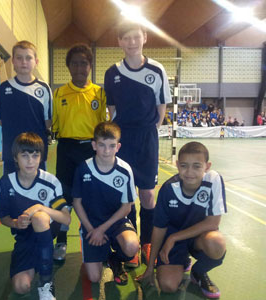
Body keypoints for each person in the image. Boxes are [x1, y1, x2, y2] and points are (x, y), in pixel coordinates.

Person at [104, 21, 172, 267]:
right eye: (126, 38)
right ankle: (129, 243)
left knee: (147, 194)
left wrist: (151, 131)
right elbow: (111, 109)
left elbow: (161, 105)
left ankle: (147, 242)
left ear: (144, 37)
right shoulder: (112, 72)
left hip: (146, 137)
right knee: (126, 193)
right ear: (120, 41)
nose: (131, 42)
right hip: (123, 138)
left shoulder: (157, 70)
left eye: (136, 37)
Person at [137, 141, 227, 299]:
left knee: (217, 243)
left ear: (207, 166)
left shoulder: (213, 180)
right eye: (184, 165)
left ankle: (198, 273)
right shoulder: (169, 189)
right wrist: (150, 267)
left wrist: (174, 237)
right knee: (167, 286)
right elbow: (158, 229)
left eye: (197, 166)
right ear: (177, 165)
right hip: (174, 243)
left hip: (198, 237)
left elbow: (213, 223)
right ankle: (181, 261)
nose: (190, 172)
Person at [0, 132, 71, 300]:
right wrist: (16, 223)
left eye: (35, 155)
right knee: (20, 287)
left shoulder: (50, 181)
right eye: (24, 155)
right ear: (16, 158)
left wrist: (40, 208)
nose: (30, 161)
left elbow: (66, 219)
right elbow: (3, 218)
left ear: (40, 157)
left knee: (39, 217)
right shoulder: (6, 183)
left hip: (46, 228)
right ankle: (41, 258)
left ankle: (46, 282)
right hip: (24, 238)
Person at [51, 43, 107, 261]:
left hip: (91, 150)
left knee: (90, 197)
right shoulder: (59, 93)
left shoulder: (100, 93)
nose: (79, 67)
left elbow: (105, 124)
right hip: (66, 149)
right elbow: (54, 124)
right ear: (68, 67)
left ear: (90, 66)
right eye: (74, 63)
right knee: (65, 198)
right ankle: (62, 241)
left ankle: (93, 236)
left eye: (83, 63)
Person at [73, 122, 139, 285]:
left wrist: (101, 229)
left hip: (116, 222)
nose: (107, 151)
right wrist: (91, 229)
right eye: (102, 145)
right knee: (95, 278)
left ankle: (115, 260)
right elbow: (77, 202)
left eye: (111, 146)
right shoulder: (84, 169)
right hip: (91, 224)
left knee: (131, 246)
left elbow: (126, 207)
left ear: (118, 146)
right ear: (94, 145)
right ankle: (99, 251)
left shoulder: (125, 170)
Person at [0, 40, 52, 175]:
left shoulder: (44, 89)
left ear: (36, 62)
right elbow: (0, 120)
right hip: (12, 153)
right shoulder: (4, 88)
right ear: (13, 61)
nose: (24, 62)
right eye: (19, 58)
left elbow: (48, 122)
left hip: (36, 153)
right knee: (10, 191)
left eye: (28, 58)